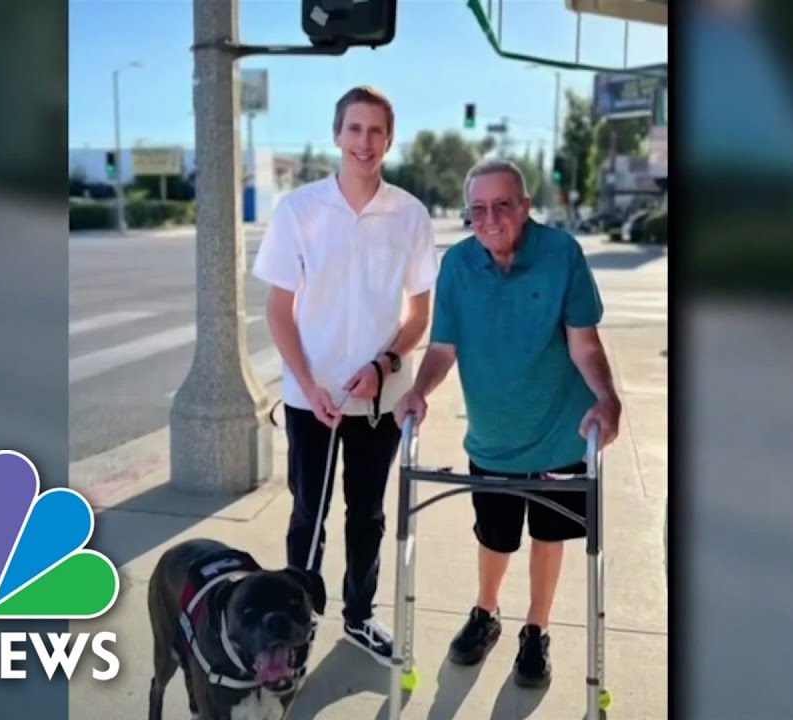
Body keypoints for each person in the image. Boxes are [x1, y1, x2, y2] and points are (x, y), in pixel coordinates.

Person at [393, 158, 621, 689]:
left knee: (550, 534)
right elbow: (442, 347)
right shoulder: (457, 267)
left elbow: (584, 344)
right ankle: (487, 612)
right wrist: (419, 391)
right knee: (494, 537)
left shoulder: (562, 254)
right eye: (478, 209)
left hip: (561, 432)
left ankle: (536, 630)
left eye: (502, 206)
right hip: (493, 437)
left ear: (524, 206)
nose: (490, 218)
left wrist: (607, 397)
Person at [251, 86, 438, 666]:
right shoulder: (299, 211)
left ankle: (359, 616)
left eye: (376, 131)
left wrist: (384, 366)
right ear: (337, 135)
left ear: (389, 138)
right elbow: (279, 312)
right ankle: (296, 620)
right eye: (355, 129)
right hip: (312, 400)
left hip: (378, 401)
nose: (365, 142)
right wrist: (308, 385)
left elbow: (420, 315)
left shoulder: (409, 215)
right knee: (309, 514)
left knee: (369, 513)